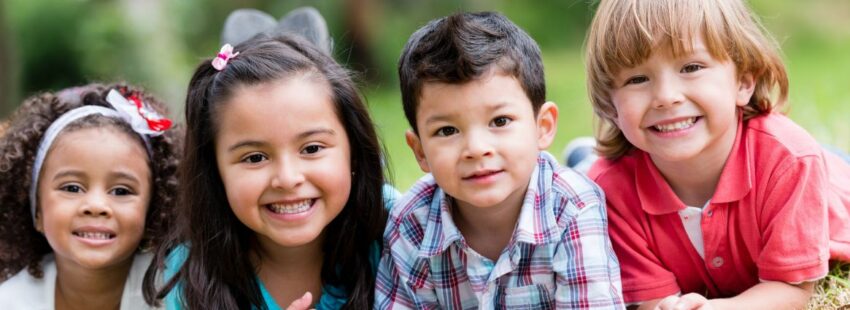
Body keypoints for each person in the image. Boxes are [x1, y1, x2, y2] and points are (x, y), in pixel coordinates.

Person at [581, 0, 850, 308]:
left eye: (691, 68)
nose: (666, 97)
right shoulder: (609, 191)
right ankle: (582, 156)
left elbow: (790, 290)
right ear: (609, 105)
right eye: (637, 79)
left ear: (744, 81)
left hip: (834, 179)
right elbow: (653, 300)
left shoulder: (791, 162)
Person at [375, 11, 624, 309]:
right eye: (447, 130)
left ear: (542, 127)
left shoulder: (574, 207)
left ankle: (583, 157)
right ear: (420, 151)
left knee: (585, 175)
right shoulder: (411, 224)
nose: (477, 149)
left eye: (500, 121)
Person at [142, 33, 393, 309]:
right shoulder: (191, 275)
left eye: (311, 149)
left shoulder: (399, 227)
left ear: (354, 153)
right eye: (255, 157)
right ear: (215, 171)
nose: (287, 178)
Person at [0, 83, 180, 309]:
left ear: (152, 210)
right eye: (72, 188)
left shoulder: (177, 295)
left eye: (121, 191)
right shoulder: (10, 301)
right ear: (37, 212)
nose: (96, 206)